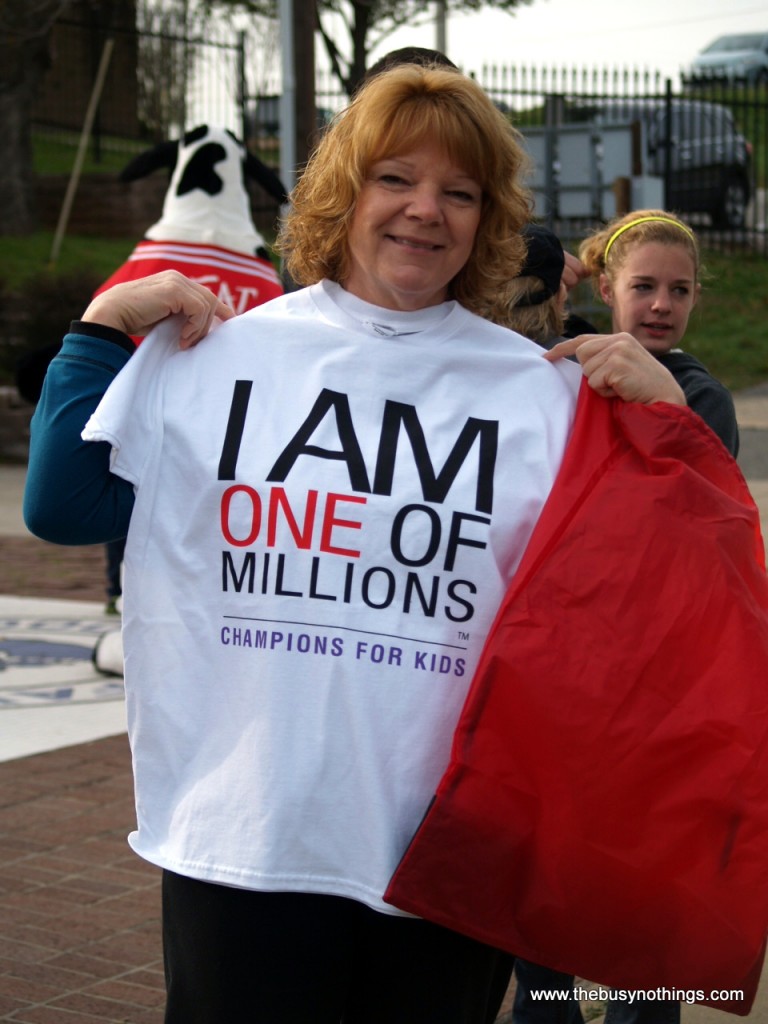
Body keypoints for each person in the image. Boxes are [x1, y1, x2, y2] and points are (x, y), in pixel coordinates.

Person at [24, 64, 687, 1024]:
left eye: (460, 192)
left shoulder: (539, 389)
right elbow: (63, 505)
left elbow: (666, 584)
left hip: (450, 850)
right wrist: (99, 330)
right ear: (342, 190)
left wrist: (668, 420)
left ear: (487, 220)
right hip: (244, 835)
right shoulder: (226, 352)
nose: (426, 211)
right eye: (396, 179)